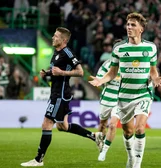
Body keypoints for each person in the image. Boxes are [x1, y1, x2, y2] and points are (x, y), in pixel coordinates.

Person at [89, 12, 161, 168]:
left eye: (133, 25)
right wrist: (101, 80)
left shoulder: (151, 47)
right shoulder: (119, 49)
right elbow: (113, 72)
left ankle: (137, 164)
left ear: (141, 29)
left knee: (140, 128)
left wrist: (155, 77)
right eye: (128, 24)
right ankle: (130, 158)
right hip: (124, 96)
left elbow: (153, 69)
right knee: (128, 132)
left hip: (144, 93)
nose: (129, 27)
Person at [21, 27, 103, 167]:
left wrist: (62, 72)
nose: (53, 37)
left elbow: (80, 72)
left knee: (47, 123)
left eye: (56, 36)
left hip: (60, 94)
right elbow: (56, 71)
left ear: (64, 40)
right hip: (57, 93)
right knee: (62, 126)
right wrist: (47, 73)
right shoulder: (56, 52)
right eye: (53, 35)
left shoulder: (68, 52)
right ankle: (95, 136)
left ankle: (38, 160)